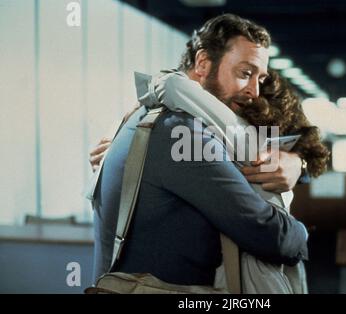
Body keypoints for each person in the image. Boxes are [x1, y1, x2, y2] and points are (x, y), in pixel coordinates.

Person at [90, 14, 311, 288]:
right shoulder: (181, 132)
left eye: (260, 78)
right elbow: (271, 234)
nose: (255, 90)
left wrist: (298, 164)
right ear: (203, 63)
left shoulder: (150, 114)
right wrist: (304, 234)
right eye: (245, 73)